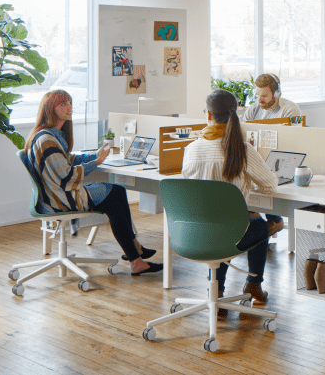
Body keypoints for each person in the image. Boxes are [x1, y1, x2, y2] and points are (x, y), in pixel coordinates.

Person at [25, 90, 162, 276]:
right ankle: (135, 256)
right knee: (115, 194)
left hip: (53, 196)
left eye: (70, 102)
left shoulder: (49, 135)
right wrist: (96, 162)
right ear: (50, 109)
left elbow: (69, 160)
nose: (69, 107)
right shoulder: (47, 140)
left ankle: (135, 253)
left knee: (116, 193)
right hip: (59, 200)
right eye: (63, 104)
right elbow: (66, 176)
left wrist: (95, 156)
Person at [183, 89, 279, 312]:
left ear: (208, 115)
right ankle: (254, 284)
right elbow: (270, 185)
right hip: (229, 235)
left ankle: (216, 292)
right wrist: (245, 185)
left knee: (221, 227)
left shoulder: (191, 149)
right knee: (259, 225)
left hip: (195, 234)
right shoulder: (242, 150)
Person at [243, 73, 300, 236]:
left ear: (276, 93)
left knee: (265, 179)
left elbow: (296, 139)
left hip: (282, 159)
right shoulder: (253, 109)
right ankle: (255, 219)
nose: (260, 100)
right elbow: (244, 133)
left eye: (264, 96)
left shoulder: (289, 109)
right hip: (257, 159)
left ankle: (273, 219)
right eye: (257, 95)